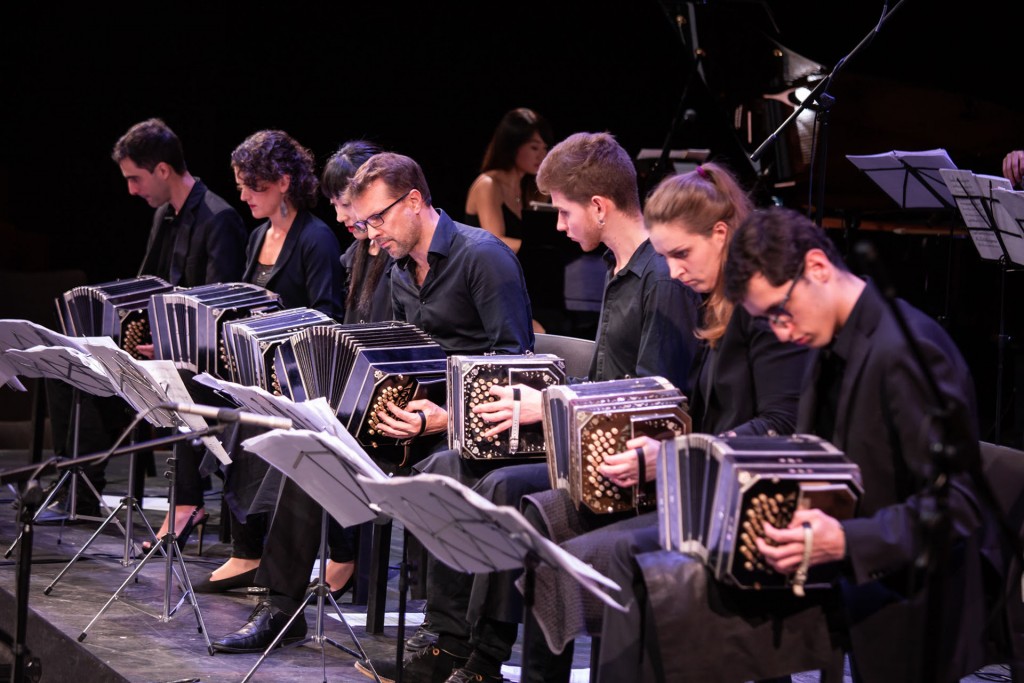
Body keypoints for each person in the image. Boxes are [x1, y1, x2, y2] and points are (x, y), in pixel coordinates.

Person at [599, 206, 1003, 683]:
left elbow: (960, 507)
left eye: (779, 312)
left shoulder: (908, 352)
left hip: (904, 590)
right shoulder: (829, 339)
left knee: (667, 598)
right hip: (832, 568)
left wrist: (845, 539)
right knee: (650, 580)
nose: (783, 332)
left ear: (817, 267)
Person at [359, 132, 703, 683]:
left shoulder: (659, 279)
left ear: (597, 206)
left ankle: (484, 659)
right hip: (586, 443)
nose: (560, 227)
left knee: (505, 490)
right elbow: (603, 381)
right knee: (460, 473)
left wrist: (548, 405)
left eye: (565, 213)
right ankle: (464, 648)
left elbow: (651, 402)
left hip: (626, 463)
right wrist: (543, 402)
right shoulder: (621, 271)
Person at [212, 151, 534, 654]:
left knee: (441, 469)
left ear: (414, 201)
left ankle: (442, 638)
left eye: (376, 219)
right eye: (363, 222)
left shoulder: (483, 257)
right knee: (308, 443)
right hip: (406, 428)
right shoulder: (402, 268)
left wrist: (446, 413)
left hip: (465, 432)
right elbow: (403, 352)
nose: (369, 233)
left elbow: (517, 363)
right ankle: (280, 606)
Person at [514, 163, 810, 683]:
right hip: (700, 484)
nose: (672, 271)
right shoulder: (717, 304)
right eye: (667, 255)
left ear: (722, 234)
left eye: (681, 255)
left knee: (605, 555)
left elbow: (783, 425)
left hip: (749, 499)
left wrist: (674, 453)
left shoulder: (765, 309)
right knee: (549, 517)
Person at [42, 118, 246, 530]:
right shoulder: (163, 217)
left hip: (193, 366)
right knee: (64, 369)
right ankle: (80, 491)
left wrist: (169, 344)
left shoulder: (218, 218)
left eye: (136, 179)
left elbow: (219, 309)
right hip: (153, 356)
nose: (132, 190)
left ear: (163, 170)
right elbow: (143, 287)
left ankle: (179, 501)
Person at [193, 129, 344, 594]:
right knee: (205, 397)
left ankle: (250, 552)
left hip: (298, 377)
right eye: (240, 185)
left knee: (251, 422)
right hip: (257, 369)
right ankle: (247, 546)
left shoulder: (315, 239)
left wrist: (277, 323)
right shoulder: (259, 233)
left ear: (282, 181)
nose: (243, 196)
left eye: (252, 186)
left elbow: (328, 316)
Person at [464, 107, 553, 254]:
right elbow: (495, 241)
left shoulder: (529, 186)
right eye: (534, 147)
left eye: (545, 148)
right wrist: (544, 248)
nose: (542, 155)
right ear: (513, 146)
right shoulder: (488, 184)